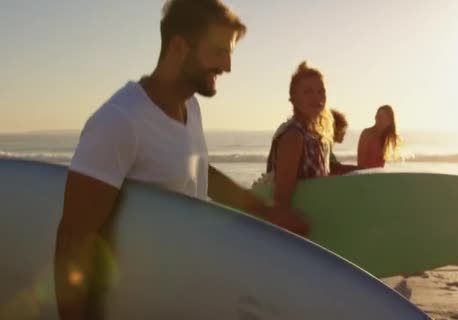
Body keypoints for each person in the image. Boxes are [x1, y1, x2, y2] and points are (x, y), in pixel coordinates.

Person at [54, 1, 307, 319]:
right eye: (218, 52)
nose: (227, 66)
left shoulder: (190, 107)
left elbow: (199, 170)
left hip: (179, 294)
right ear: (178, 47)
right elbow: (73, 238)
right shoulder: (119, 121)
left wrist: (267, 214)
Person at [260, 61, 334, 215]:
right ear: (294, 98)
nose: (317, 97)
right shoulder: (294, 136)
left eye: (321, 91)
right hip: (296, 225)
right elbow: (281, 199)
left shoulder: (314, 136)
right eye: (308, 92)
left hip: (312, 218)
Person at [329, 108, 359, 175]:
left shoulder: (329, 149)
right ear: (334, 128)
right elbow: (334, 168)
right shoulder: (323, 147)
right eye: (343, 128)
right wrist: (360, 169)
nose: (344, 133)